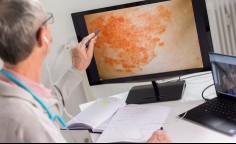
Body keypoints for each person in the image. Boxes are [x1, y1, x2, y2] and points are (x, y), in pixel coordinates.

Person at [0, 0, 171, 143]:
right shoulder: (28, 122)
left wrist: (77, 69)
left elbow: (44, 107)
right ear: (42, 36)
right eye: (47, 20)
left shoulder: (10, 94)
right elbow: (36, 117)